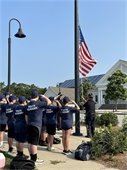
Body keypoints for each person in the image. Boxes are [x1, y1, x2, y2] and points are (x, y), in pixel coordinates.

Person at [26, 90, 51, 165]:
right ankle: (34, 160)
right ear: (37, 96)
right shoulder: (38, 103)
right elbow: (49, 102)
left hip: (29, 124)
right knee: (34, 143)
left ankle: (32, 157)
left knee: (30, 142)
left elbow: (26, 115)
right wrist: (44, 97)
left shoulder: (28, 104)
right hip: (36, 125)